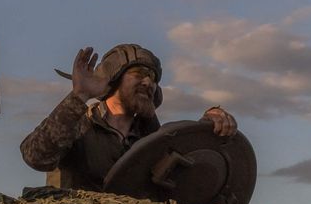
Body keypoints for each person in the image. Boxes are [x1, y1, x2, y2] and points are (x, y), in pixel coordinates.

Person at [20, 43, 237, 191]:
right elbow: (36, 157)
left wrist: (210, 124)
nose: (148, 83)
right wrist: (79, 96)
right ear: (112, 79)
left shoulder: (153, 138)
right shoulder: (78, 123)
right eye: (139, 74)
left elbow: (188, 167)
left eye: (153, 78)